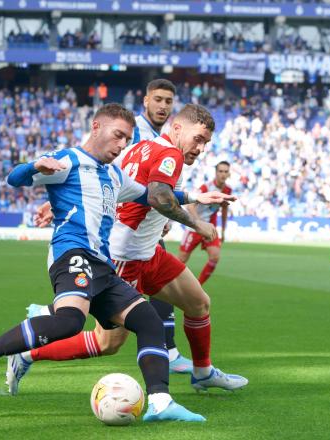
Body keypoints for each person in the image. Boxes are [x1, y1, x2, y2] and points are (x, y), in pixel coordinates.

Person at [0, 104, 232, 422]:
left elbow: (149, 195)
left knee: (147, 321)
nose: (122, 145)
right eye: (118, 135)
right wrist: (33, 166)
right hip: (72, 255)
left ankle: (161, 403)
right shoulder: (68, 159)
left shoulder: (113, 173)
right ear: (96, 127)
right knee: (70, 322)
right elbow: (14, 179)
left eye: (127, 139)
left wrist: (193, 196)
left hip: (102, 263)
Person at [9, 104, 248, 395]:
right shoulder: (170, 154)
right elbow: (159, 197)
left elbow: (111, 183)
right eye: (197, 139)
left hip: (149, 252)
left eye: (206, 143)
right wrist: (195, 222)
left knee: (199, 303)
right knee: (107, 343)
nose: (200, 148)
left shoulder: (142, 148)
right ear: (176, 129)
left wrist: (193, 198)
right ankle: (26, 353)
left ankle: (203, 372)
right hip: (125, 258)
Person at [124, 78, 193, 374]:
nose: (163, 106)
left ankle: (170, 351)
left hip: (143, 223)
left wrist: (163, 216)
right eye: (158, 100)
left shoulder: (163, 136)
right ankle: (46, 320)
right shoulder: (131, 129)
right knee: (107, 328)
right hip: (123, 225)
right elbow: (105, 163)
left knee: (163, 287)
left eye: (168, 101)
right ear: (146, 100)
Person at [177, 161, 232, 285]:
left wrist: (223, 231)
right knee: (181, 260)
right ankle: (168, 284)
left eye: (225, 171)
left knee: (215, 257)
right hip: (194, 228)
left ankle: (198, 286)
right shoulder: (205, 188)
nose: (223, 174)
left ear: (229, 174)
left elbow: (224, 210)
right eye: (220, 171)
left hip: (210, 228)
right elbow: (190, 206)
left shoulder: (228, 190)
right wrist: (199, 223)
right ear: (216, 173)